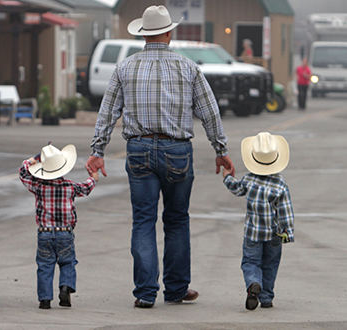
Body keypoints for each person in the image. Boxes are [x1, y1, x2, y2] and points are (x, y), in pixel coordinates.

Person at [85, 5, 234, 309]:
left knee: (143, 220)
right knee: (177, 220)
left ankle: (145, 292)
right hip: (177, 151)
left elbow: (107, 113)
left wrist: (97, 151)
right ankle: (177, 289)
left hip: (138, 150)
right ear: (169, 32)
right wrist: (221, 150)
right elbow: (209, 112)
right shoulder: (189, 68)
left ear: (143, 34)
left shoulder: (124, 67)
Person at [19, 143, 98, 310]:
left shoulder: (39, 186)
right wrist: (94, 178)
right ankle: (65, 288)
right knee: (67, 262)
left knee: (45, 265)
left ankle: (45, 299)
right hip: (65, 233)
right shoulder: (70, 186)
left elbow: (23, 173)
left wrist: (32, 160)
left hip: (44, 233)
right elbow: (86, 188)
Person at [222, 132, 294, 310]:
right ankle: (267, 298)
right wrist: (287, 234)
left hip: (252, 233)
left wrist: (227, 177)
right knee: (270, 265)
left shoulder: (249, 180)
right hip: (274, 234)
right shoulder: (281, 185)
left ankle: (253, 283)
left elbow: (236, 188)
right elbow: (286, 213)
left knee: (250, 262)